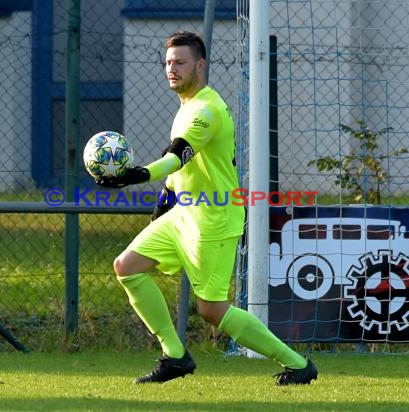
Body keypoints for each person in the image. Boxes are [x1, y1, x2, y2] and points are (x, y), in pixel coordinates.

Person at [96, 30, 318, 385]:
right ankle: (175, 356)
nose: (172, 69)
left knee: (211, 310)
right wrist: (163, 203)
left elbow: (177, 155)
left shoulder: (206, 110)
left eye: (180, 62)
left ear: (200, 65)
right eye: (168, 62)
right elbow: (182, 170)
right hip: (184, 213)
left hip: (214, 219)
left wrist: (137, 175)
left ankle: (297, 364)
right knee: (127, 266)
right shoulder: (186, 106)